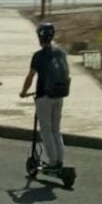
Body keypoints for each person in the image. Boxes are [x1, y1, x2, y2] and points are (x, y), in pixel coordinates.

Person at [20, 23, 70, 172]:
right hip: (59, 95)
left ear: (40, 38)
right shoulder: (60, 53)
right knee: (56, 129)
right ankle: (60, 159)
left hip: (44, 97)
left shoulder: (38, 56)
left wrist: (23, 92)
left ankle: (53, 162)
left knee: (46, 130)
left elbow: (30, 77)